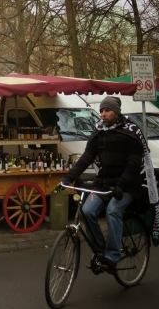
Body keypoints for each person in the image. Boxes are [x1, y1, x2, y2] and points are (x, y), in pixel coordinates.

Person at [61, 96, 144, 273]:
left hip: (127, 185)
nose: (103, 114)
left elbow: (134, 163)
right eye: (102, 111)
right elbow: (86, 157)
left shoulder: (131, 131)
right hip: (104, 183)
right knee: (87, 211)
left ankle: (113, 256)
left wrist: (121, 185)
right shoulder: (98, 132)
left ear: (117, 111)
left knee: (113, 210)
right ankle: (101, 250)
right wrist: (69, 177)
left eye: (108, 110)